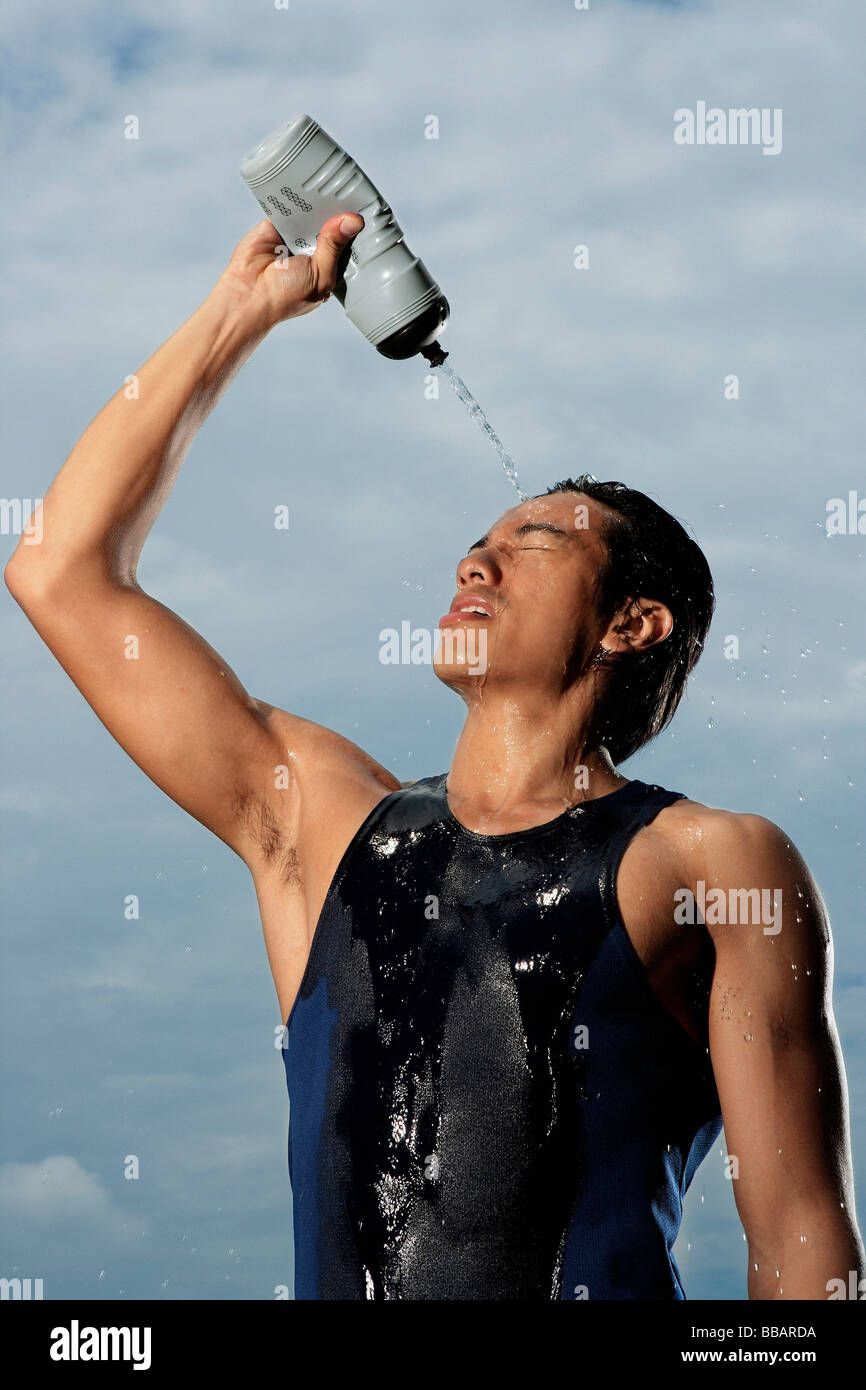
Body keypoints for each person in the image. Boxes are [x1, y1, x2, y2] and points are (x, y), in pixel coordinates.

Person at [6, 214, 862, 1301]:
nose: (476, 559)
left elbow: (800, 1249)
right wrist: (238, 314)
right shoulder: (316, 823)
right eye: (476, 542)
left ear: (630, 624)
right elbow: (60, 572)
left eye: (533, 541)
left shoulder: (713, 862)